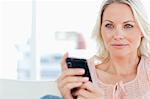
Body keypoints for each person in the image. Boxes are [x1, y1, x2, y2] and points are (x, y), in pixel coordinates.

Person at [56, 0, 150, 99]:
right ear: (100, 30)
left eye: (128, 26)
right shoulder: (85, 77)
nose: (118, 35)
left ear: (142, 31)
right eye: (109, 25)